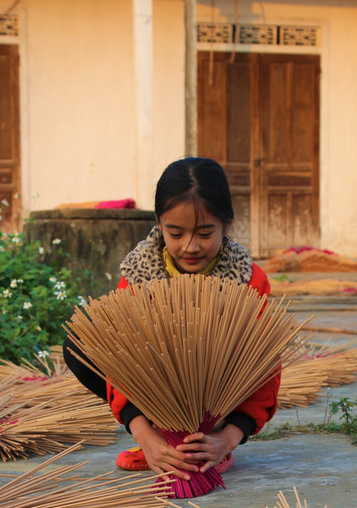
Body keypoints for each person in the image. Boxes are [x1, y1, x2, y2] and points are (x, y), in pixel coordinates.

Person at [63, 156, 280, 486]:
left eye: (205, 233)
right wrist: (145, 435)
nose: (189, 247)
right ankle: (161, 443)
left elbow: (264, 369)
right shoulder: (138, 274)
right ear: (159, 224)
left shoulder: (248, 281)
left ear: (227, 225)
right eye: (175, 233)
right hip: (153, 401)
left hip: (217, 408)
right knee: (82, 343)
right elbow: (119, 365)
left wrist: (230, 437)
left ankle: (208, 445)